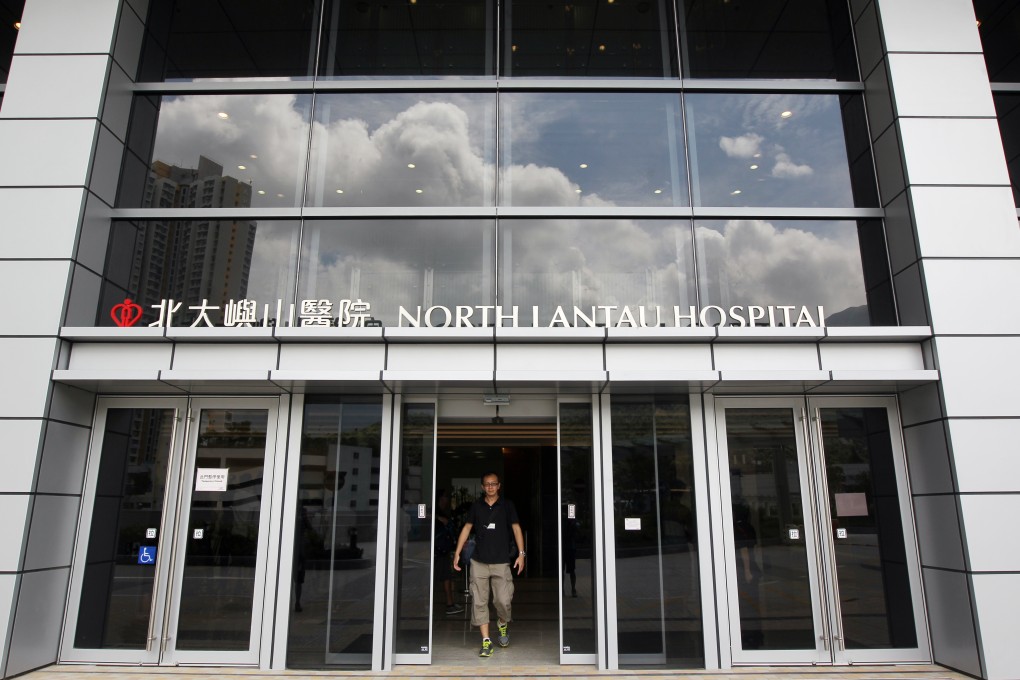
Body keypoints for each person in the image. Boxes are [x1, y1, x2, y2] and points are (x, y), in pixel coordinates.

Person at [453, 472, 525, 658]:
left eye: (494, 484)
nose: (491, 487)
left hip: (501, 562)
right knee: (479, 601)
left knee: (503, 600)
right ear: (483, 487)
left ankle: (502, 624)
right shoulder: (476, 506)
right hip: (479, 562)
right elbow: (467, 528)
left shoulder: (508, 505)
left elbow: (516, 528)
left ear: (499, 486)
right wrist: (458, 552)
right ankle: (486, 641)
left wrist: (521, 554)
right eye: (487, 484)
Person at [434, 489, 463, 615]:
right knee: (436, 577)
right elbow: (422, 514)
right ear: (440, 498)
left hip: (443, 550)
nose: (447, 499)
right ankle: (427, 605)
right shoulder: (433, 510)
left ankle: (450, 604)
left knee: (447, 577)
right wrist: (437, 518)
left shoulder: (443, 512)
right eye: (446, 496)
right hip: (435, 550)